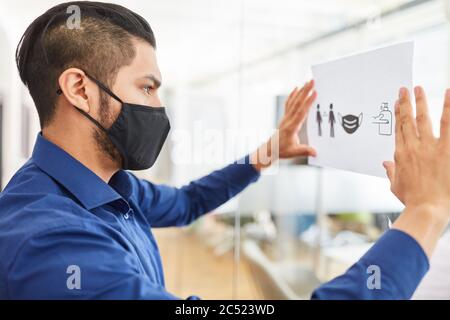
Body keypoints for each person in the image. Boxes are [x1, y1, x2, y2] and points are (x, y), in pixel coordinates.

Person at [0, 1, 448, 300]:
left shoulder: (105, 186)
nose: (159, 107)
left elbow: (188, 202)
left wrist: (268, 152)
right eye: (148, 88)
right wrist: (426, 211)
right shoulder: (51, 243)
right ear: (79, 88)